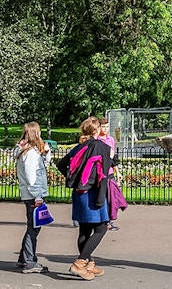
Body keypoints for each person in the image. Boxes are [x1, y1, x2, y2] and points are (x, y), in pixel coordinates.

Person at [57, 117, 115, 280]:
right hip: (94, 192)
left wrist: (74, 179)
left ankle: (89, 263)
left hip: (79, 191)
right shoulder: (102, 147)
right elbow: (105, 171)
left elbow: (62, 164)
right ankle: (80, 263)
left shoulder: (80, 147)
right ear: (96, 130)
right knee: (101, 228)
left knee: (84, 230)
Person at [14, 122, 51, 274]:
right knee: (33, 228)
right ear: (35, 133)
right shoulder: (29, 153)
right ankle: (29, 261)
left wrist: (47, 153)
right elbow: (31, 177)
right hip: (33, 195)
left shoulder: (26, 150)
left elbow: (44, 166)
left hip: (29, 194)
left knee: (33, 226)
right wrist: (38, 197)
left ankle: (24, 258)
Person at [96, 119, 121, 231]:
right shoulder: (96, 140)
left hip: (110, 172)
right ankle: (105, 221)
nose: (105, 129)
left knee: (111, 197)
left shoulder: (110, 139)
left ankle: (109, 220)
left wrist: (117, 171)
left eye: (107, 127)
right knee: (102, 197)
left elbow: (113, 158)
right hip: (100, 173)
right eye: (103, 127)